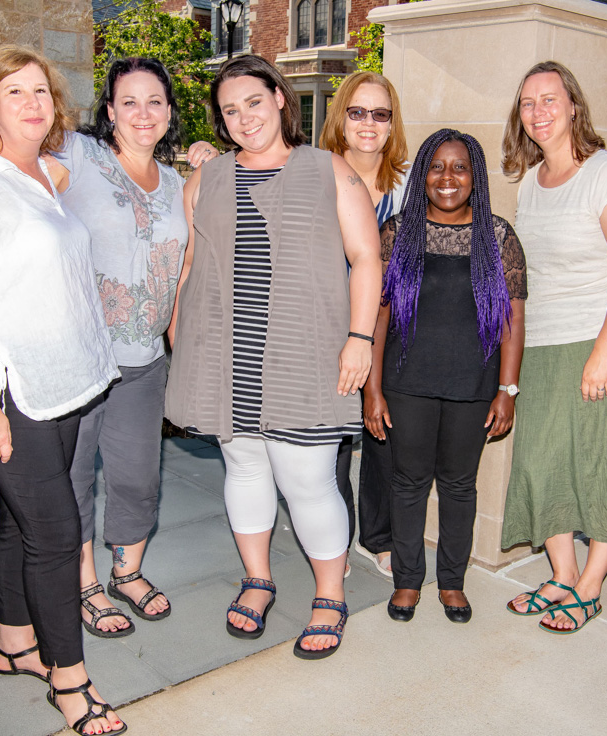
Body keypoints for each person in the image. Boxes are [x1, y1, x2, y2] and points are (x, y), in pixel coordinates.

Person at [0, 58, 220, 639]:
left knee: (139, 477)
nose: (144, 113)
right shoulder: (77, 160)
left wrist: (210, 160)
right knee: (68, 485)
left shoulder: (176, 184)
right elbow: (3, 173)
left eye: (155, 102)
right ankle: (85, 582)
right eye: (129, 102)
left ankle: (129, 571)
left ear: (170, 112)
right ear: (110, 111)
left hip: (145, 361)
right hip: (82, 361)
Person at [165, 55, 381, 659]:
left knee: (308, 479)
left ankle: (330, 595)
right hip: (226, 354)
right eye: (230, 110)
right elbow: (190, 270)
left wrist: (359, 341)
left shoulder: (329, 170)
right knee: (246, 469)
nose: (243, 118)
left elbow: (367, 259)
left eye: (253, 103)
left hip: (307, 350)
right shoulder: (204, 180)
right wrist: (184, 341)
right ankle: (258, 579)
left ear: (281, 99)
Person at [0, 45, 126, 735]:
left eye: (41, 90)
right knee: (56, 533)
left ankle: (14, 642)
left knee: (21, 523)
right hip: (10, 392)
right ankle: (69, 685)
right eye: (13, 92)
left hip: (66, 382)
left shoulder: (48, 176)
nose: (33, 102)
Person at [499, 61, 607, 635]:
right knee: (543, 464)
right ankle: (561, 573)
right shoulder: (532, 183)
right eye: (528, 103)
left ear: (573, 105)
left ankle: (590, 586)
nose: (539, 112)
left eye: (549, 99)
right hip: (544, 346)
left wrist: (602, 353)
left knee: (600, 465)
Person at [365, 129, 526, 624]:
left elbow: (513, 321)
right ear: (422, 175)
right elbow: (378, 314)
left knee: (459, 487)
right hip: (405, 382)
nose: (447, 178)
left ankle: (452, 583)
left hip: (472, 388)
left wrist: (507, 390)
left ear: (475, 176)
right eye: (436, 166)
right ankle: (408, 582)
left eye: (459, 167)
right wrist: (372, 389)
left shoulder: (498, 237)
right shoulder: (397, 232)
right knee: (408, 484)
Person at [319, 71, 411, 577]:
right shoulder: (316, 174)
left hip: (394, 331)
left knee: (383, 435)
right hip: (331, 323)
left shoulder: (411, 186)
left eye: (380, 113)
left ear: (393, 122)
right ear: (341, 118)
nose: (368, 123)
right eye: (357, 112)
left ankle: (378, 535)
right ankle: (335, 536)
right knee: (331, 437)